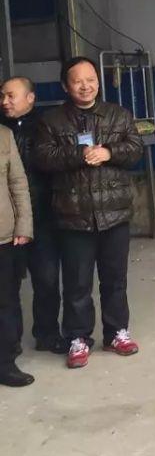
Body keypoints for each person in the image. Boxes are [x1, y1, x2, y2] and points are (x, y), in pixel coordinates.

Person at [34, 57, 143, 369]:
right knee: (77, 282)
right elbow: (43, 158)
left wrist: (109, 151)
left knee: (115, 279)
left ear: (98, 81)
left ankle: (116, 332)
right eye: (78, 81)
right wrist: (79, 154)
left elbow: (135, 149)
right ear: (66, 86)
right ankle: (78, 337)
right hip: (73, 214)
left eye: (91, 79)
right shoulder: (51, 121)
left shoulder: (118, 115)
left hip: (114, 213)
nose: (86, 86)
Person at [1, 76, 67, 354]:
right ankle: (10, 343)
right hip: (8, 221)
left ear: (30, 98)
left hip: (43, 216)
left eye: (11, 96)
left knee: (47, 279)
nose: (5, 102)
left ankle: (47, 334)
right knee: (8, 286)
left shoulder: (46, 127)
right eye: (2, 96)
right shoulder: (1, 129)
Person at [0, 122, 34, 386]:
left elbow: (18, 183)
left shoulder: (4, 135)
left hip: (3, 235)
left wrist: (23, 225)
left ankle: (6, 363)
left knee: (6, 301)